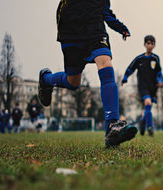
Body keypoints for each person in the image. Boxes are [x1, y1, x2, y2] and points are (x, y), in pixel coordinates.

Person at [37, 0, 137, 147]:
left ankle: (112, 126)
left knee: (106, 64)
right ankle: (46, 79)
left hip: (95, 29)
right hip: (71, 27)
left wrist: (119, 27)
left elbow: (104, 10)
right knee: (73, 82)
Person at [121, 35, 163, 136]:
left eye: (152, 43)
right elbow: (130, 68)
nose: (150, 45)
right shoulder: (139, 59)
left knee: (147, 108)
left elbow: (159, 72)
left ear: (154, 45)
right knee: (148, 103)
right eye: (148, 43)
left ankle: (142, 124)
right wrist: (125, 78)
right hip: (142, 87)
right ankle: (150, 127)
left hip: (153, 87)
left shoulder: (155, 58)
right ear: (144, 44)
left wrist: (160, 80)